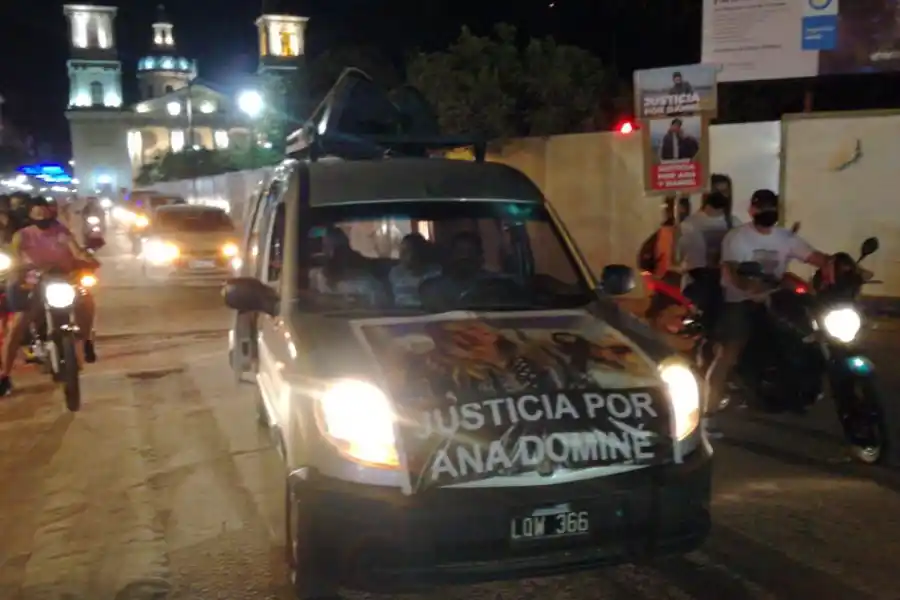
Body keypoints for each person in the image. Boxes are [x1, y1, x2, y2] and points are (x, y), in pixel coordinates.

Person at [704, 189, 833, 438]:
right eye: (761, 207)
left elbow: (816, 257)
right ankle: (708, 415)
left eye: (771, 207)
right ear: (752, 210)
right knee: (729, 353)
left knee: (809, 330)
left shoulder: (785, 237)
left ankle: (800, 387)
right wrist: (749, 287)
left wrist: (842, 267)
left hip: (775, 296)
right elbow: (732, 271)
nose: (767, 211)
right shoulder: (737, 237)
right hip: (741, 299)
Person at [0, 196, 100, 395]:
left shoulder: (61, 232)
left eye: (45, 213)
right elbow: (13, 257)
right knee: (18, 325)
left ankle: (87, 340)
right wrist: (19, 270)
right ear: (30, 215)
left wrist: (88, 259)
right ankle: (5, 375)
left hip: (62, 279)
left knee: (86, 301)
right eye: (37, 214)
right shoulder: (23, 236)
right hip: (34, 282)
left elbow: (76, 251)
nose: (42, 218)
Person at [311, 227, 388, 307]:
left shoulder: (364, 281)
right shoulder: (319, 277)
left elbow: (377, 305)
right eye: (325, 247)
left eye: (328, 248)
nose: (326, 252)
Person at [389, 233, 439, 307]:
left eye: (407, 251)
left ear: (418, 253)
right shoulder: (395, 273)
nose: (401, 255)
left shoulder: (434, 275)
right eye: (401, 251)